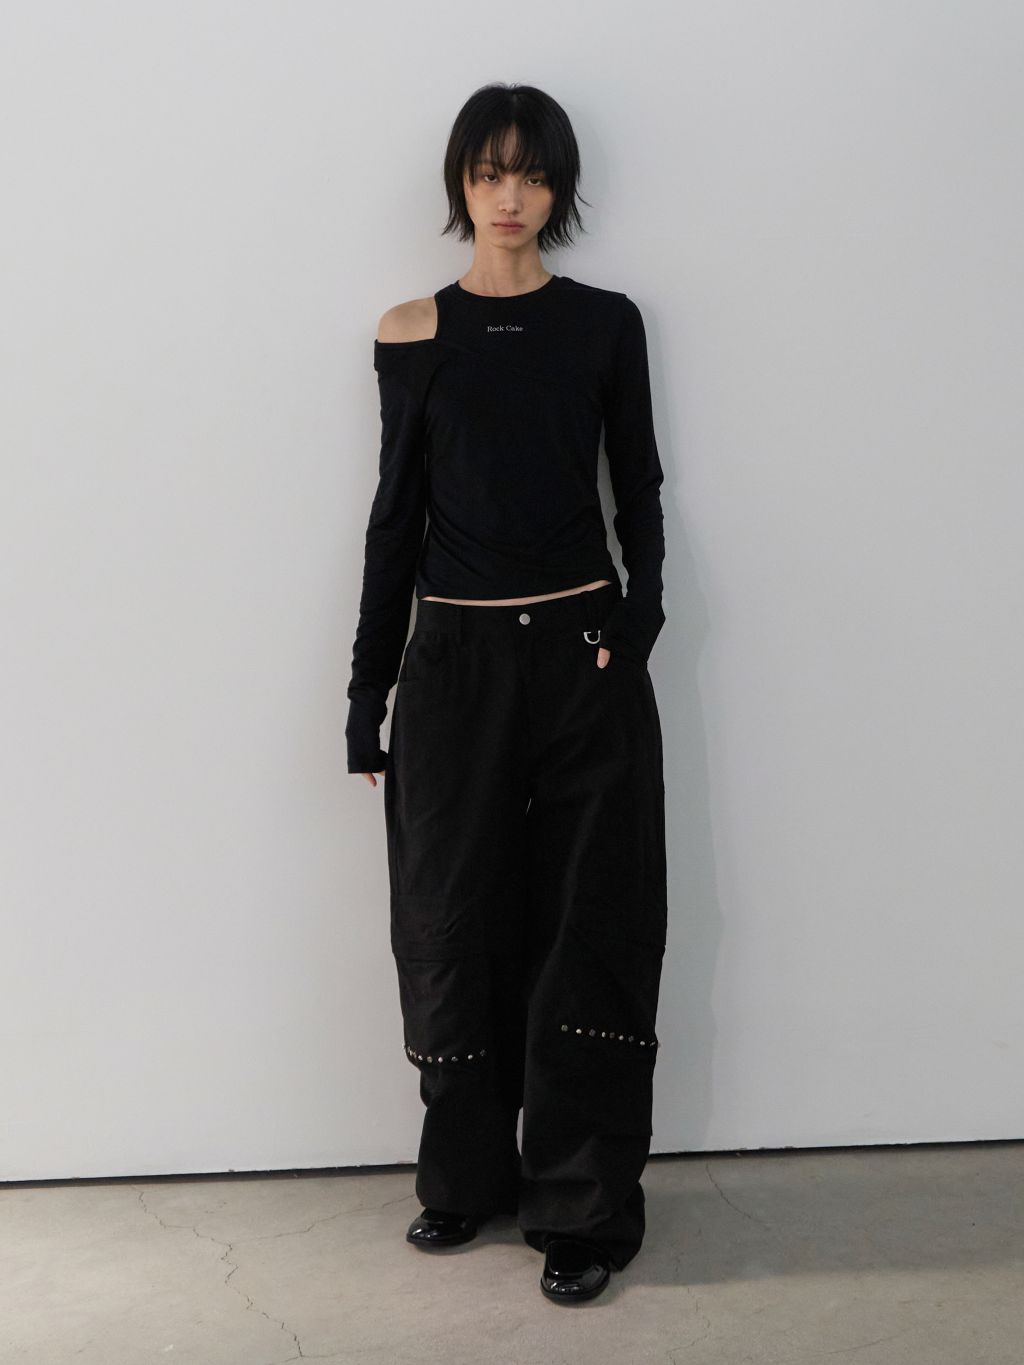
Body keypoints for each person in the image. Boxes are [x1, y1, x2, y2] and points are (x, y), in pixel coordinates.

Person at [345, 82, 668, 1304]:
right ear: (461, 185)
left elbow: (638, 487)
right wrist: (366, 690)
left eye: (531, 174)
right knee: (451, 918)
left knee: (591, 922)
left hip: (581, 658)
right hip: (453, 665)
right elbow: (394, 521)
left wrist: (634, 624)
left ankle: (581, 1208)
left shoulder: (604, 325)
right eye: (489, 173)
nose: (510, 196)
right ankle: (466, 1178)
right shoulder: (412, 330)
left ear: (559, 188)